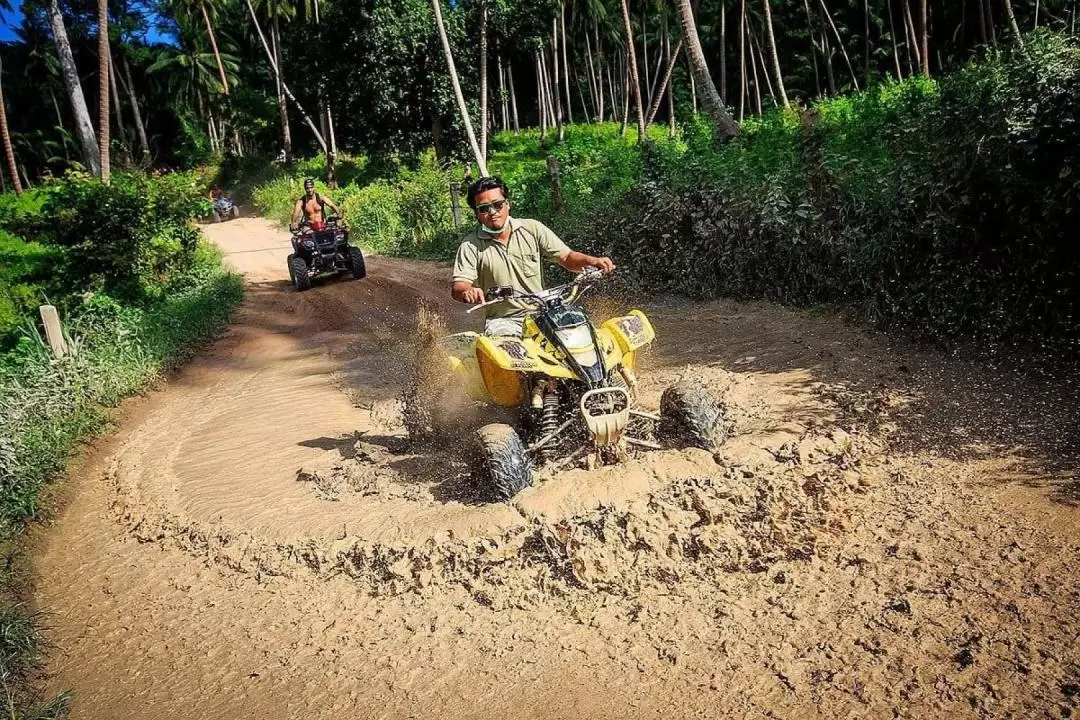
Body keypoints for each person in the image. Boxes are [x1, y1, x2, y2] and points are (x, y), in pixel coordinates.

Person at [451, 176, 614, 337]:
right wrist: (467, 291)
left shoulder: (532, 228)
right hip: (504, 320)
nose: (492, 212)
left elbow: (566, 257)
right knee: (508, 355)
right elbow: (459, 286)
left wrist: (593, 261)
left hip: (544, 312)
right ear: (477, 214)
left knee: (581, 335)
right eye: (484, 208)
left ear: (508, 204)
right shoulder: (470, 245)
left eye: (497, 204)